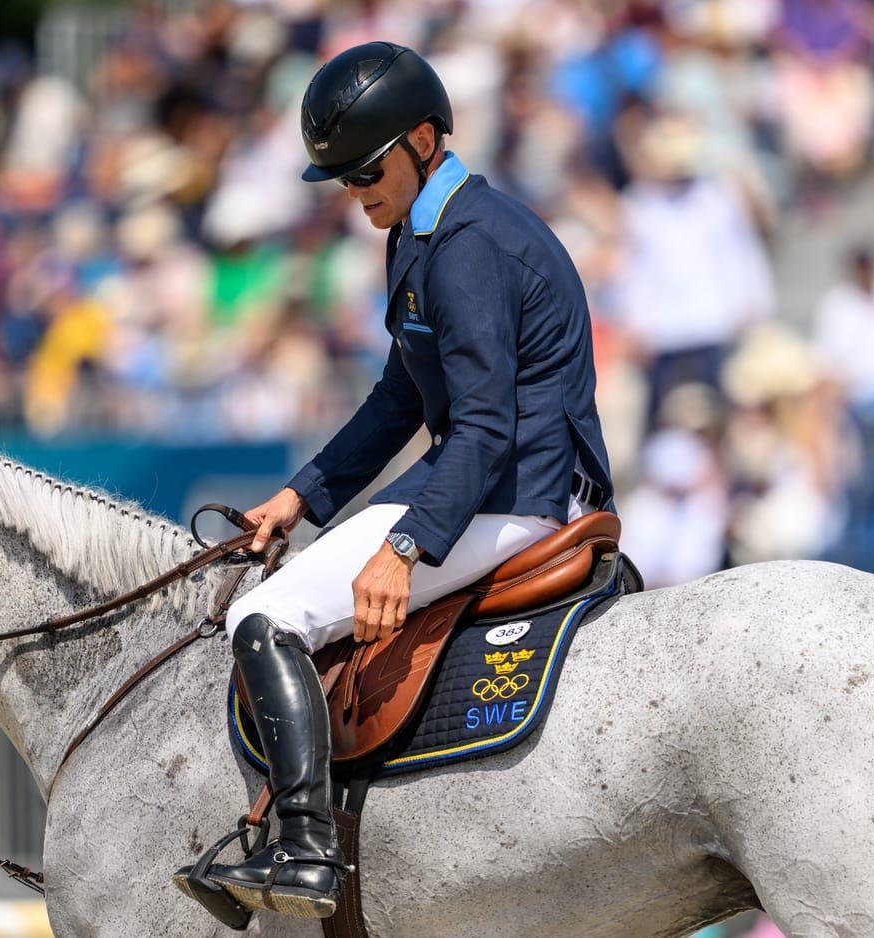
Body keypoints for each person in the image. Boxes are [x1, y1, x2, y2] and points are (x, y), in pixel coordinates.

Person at [174, 41, 615, 920]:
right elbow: (399, 399)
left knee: (261, 617)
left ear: (422, 139)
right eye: (340, 179)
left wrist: (407, 549)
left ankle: (305, 849)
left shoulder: (468, 247)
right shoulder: (421, 230)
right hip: (482, 479)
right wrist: (303, 494)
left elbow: (485, 427)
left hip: (518, 496)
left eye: (365, 170)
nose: (354, 191)